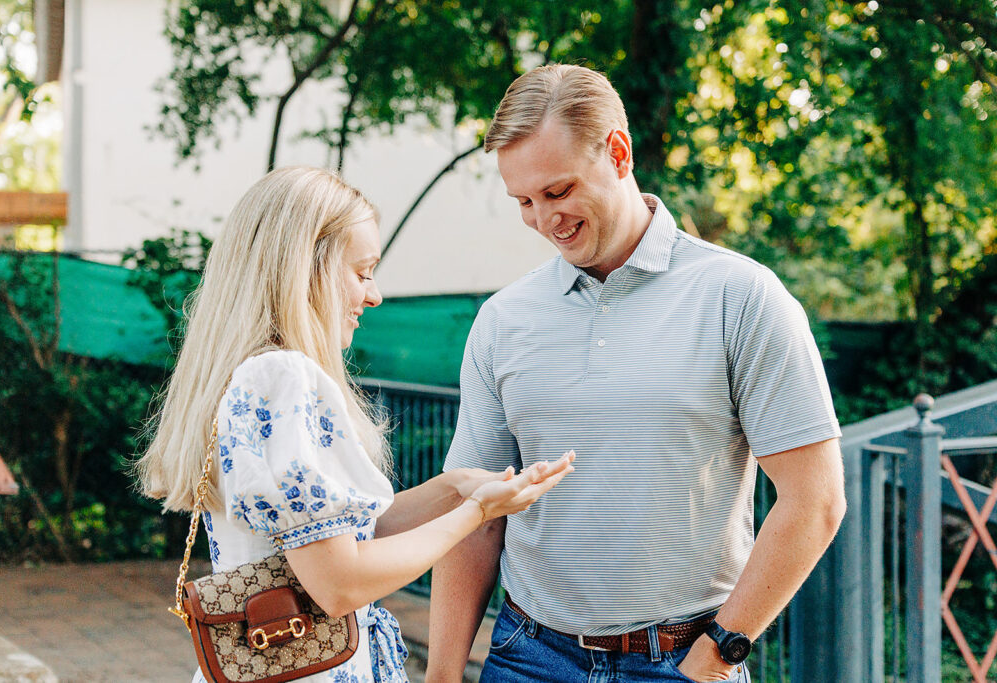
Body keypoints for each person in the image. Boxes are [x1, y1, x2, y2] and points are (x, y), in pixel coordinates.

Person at [426, 65, 847, 683]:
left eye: (559, 191)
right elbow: (475, 510)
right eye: (525, 201)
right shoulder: (501, 320)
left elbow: (816, 501)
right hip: (528, 657)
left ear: (618, 152)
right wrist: (439, 675)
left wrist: (713, 659)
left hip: (684, 660)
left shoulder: (742, 296)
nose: (546, 220)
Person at [134, 166, 574, 683]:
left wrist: (454, 488)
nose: (374, 295)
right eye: (363, 272)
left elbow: (338, 538)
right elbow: (339, 582)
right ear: (305, 269)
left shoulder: (251, 375)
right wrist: (476, 513)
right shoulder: (285, 376)